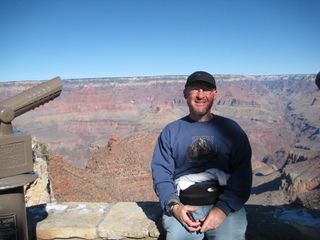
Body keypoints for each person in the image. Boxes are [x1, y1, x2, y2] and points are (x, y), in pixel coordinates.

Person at [151, 71, 252, 240]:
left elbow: (243, 174)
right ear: (185, 94)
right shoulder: (171, 131)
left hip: (225, 206)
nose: (200, 95)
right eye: (194, 89)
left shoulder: (231, 129)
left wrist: (222, 209)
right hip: (184, 206)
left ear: (215, 94)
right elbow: (161, 174)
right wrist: (175, 207)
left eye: (206, 90)